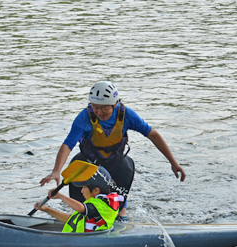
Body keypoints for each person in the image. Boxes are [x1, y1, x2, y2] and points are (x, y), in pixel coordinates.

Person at [40, 81, 186, 221]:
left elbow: (153, 135)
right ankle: (81, 219)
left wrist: (173, 162)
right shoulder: (84, 117)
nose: (99, 111)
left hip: (116, 163)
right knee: (83, 204)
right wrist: (56, 171)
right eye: (95, 107)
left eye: (104, 107)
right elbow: (68, 144)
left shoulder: (127, 115)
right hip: (88, 163)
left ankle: (122, 212)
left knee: (119, 192)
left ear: (115, 104)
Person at [34, 166, 124, 232]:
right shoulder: (95, 204)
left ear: (96, 191)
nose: (82, 191)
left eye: (84, 187)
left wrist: (60, 196)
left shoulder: (102, 205)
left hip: (87, 241)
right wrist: (46, 209)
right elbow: (70, 219)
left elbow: (80, 208)